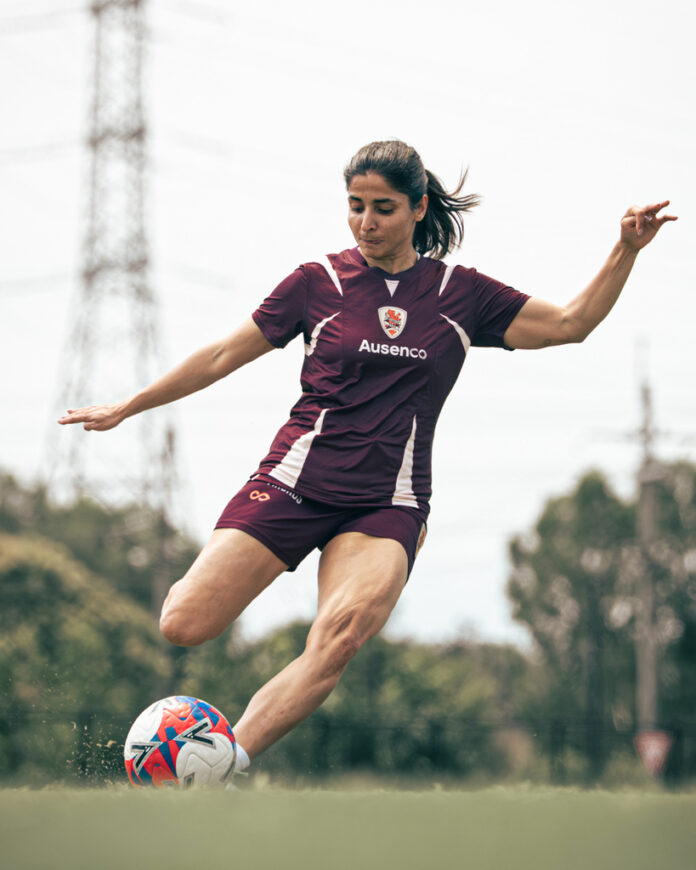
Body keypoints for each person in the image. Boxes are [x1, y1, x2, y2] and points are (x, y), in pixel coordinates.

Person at [58, 139, 677, 774]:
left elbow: (571, 323)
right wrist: (129, 405)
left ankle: (221, 764)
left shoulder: (459, 294)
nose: (366, 222)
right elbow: (220, 355)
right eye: (356, 206)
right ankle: (206, 752)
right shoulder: (316, 283)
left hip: (386, 505)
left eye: (383, 208)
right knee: (183, 622)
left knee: (339, 639)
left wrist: (625, 250)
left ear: (418, 208)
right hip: (293, 484)